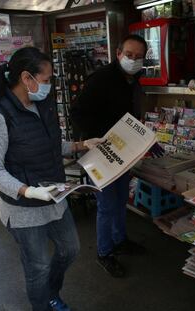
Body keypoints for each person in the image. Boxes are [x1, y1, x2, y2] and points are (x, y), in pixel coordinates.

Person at [0, 47, 103, 311]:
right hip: (23, 208)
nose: (48, 85)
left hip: (54, 196)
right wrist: (27, 191)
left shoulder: (43, 104)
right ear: (27, 78)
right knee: (38, 265)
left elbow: (50, 144)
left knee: (70, 250)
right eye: (46, 80)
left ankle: (50, 292)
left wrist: (81, 145)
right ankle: (43, 304)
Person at [71, 35, 163, 278]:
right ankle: (104, 252)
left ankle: (120, 240)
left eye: (138, 57)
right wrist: (88, 142)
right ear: (118, 53)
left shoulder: (133, 79)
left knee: (121, 198)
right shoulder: (101, 79)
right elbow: (78, 113)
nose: (133, 60)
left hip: (123, 151)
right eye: (129, 55)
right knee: (106, 205)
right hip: (100, 151)